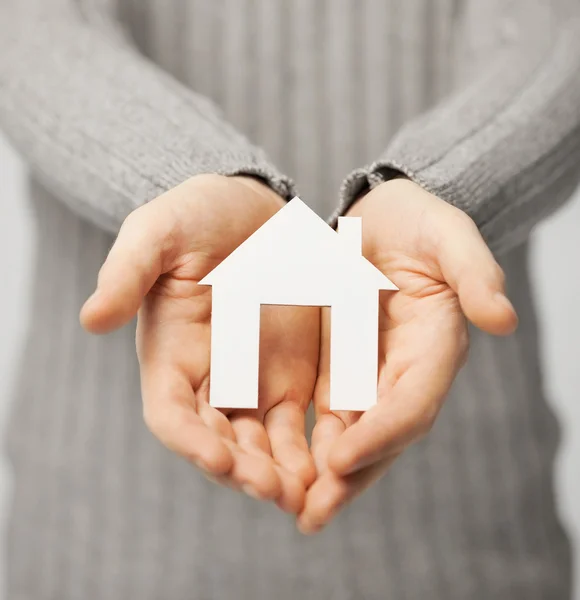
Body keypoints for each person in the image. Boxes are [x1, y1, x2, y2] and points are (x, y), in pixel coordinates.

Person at [0, 1, 578, 598]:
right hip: (102, 537)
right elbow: (30, 26)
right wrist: (181, 176)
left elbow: (552, 34)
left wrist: (444, 185)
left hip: (469, 535)